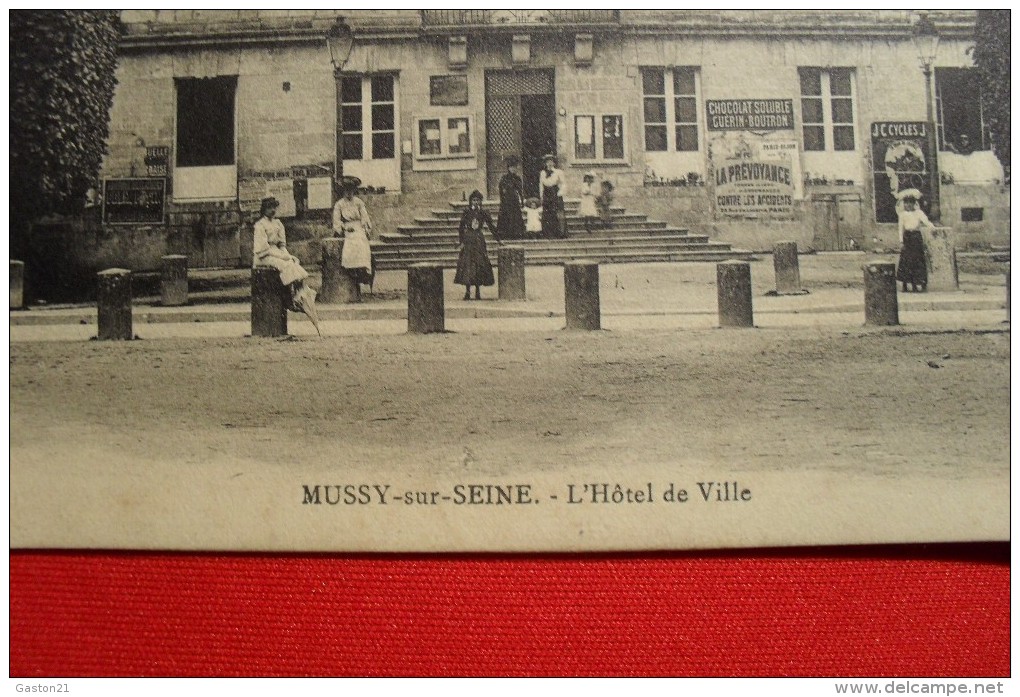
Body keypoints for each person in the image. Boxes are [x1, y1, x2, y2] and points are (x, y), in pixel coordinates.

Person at [252, 196, 321, 336]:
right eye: (269, 208)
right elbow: (261, 250)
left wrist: (288, 255)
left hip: (276, 252)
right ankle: (291, 298)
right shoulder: (260, 225)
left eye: (274, 207)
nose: (272, 210)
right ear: (263, 209)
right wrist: (282, 257)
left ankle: (300, 295)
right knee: (284, 265)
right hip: (263, 257)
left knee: (293, 264)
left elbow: (282, 246)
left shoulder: (278, 224)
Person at [332, 177, 374, 290]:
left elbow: (364, 217)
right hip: (347, 227)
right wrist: (342, 228)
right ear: (343, 191)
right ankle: (352, 269)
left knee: (361, 240)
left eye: (351, 190)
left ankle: (362, 270)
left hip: (358, 226)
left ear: (354, 190)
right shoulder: (339, 204)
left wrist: (366, 228)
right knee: (351, 242)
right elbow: (336, 220)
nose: (349, 193)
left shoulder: (359, 202)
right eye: (346, 190)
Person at [454, 190, 497, 300]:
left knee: (479, 264)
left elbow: (491, 226)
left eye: (478, 200)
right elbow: (461, 227)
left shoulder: (484, 212)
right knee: (468, 265)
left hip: (478, 240)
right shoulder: (466, 212)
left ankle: (478, 292)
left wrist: (498, 239)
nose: (475, 202)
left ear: (480, 201)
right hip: (468, 239)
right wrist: (461, 241)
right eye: (473, 200)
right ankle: (467, 292)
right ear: (470, 201)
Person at [895, 189, 935, 293]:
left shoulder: (919, 213)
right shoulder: (902, 214)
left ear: (914, 204)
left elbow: (926, 222)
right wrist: (901, 241)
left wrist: (932, 227)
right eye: (906, 203)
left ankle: (917, 284)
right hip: (907, 237)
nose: (908, 205)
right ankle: (905, 284)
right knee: (906, 261)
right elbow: (900, 229)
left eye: (910, 203)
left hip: (916, 237)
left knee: (917, 260)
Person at [495, 155, 526, 240]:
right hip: (506, 201)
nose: (513, 169)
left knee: (515, 216)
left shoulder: (518, 178)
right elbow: (501, 189)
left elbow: (520, 190)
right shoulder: (504, 178)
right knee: (506, 216)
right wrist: (502, 199)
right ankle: (505, 234)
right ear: (508, 168)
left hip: (514, 200)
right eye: (511, 167)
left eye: (514, 167)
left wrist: (522, 201)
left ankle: (516, 233)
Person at [539, 153, 567, 239]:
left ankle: (559, 232)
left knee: (557, 213)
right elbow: (541, 184)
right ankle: (548, 233)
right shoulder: (543, 173)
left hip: (555, 193)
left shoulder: (558, 172)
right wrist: (541, 196)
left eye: (551, 162)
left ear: (554, 163)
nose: (550, 164)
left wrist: (560, 193)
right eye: (548, 162)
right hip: (547, 194)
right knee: (548, 214)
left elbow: (563, 184)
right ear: (545, 163)